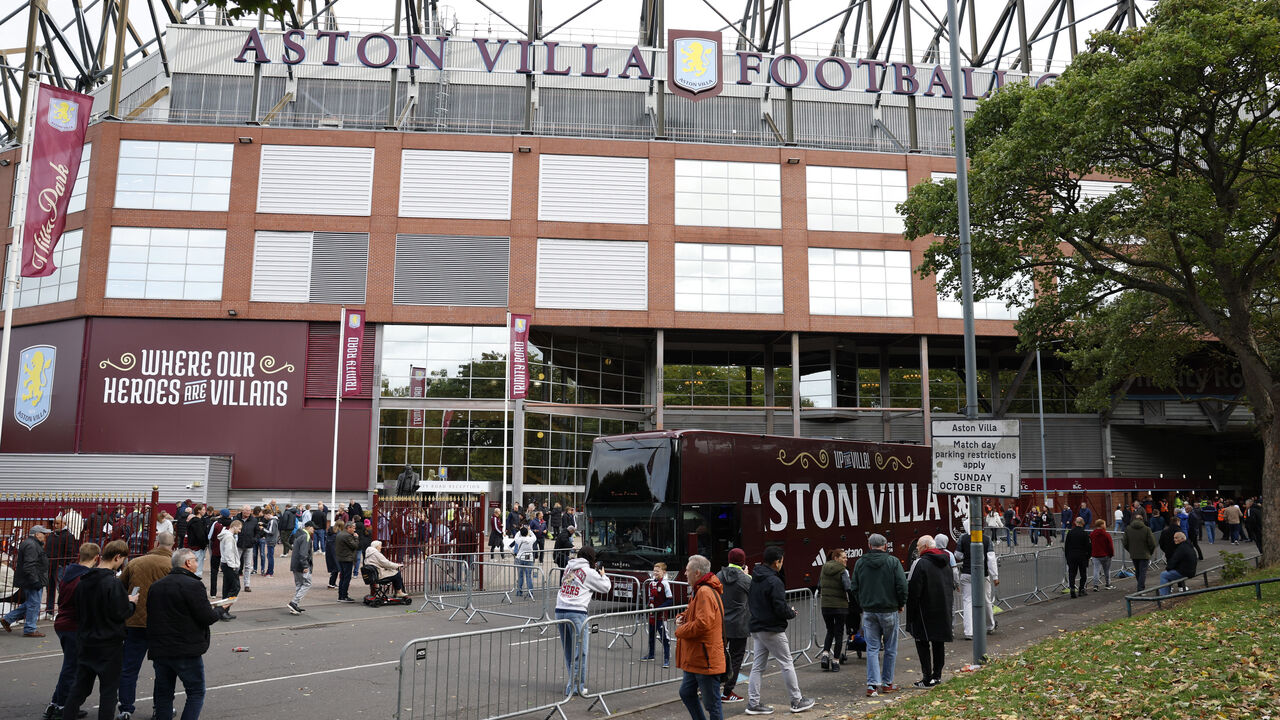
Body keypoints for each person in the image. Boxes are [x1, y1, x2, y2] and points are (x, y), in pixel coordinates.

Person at [61, 540, 138, 720]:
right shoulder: (112, 583)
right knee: (109, 691)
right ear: (117, 557)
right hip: (109, 644)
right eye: (122, 560)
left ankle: (67, 716)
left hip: (86, 639)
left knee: (80, 687)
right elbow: (121, 613)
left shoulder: (83, 581)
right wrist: (131, 603)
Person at [146, 548, 221, 720]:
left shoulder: (156, 586)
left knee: (164, 694)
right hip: (185, 649)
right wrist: (219, 610)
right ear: (188, 563)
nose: (197, 562)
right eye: (195, 560)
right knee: (196, 692)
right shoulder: (193, 585)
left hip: (161, 649)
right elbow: (206, 617)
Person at [745, 545, 814, 714]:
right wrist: (790, 612)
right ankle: (796, 701)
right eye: (782, 561)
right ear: (777, 562)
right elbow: (779, 607)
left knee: (758, 667)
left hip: (757, 627)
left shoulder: (755, 577)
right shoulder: (774, 581)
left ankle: (753, 703)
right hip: (772, 629)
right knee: (786, 663)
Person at [117, 531, 176, 720]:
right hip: (162, 624)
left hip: (135, 620)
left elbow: (120, 587)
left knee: (129, 667)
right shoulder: (173, 565)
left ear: (157, 542)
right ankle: (161, 707)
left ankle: (125, 708)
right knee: (163, 669)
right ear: (172, 545)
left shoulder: (136, 562)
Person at [45, 542, 100, 720]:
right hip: (73, 625)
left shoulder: (70, 574)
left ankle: (56, 703)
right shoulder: (83, 578)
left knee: (70, 666)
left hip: (64, 622)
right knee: (72, 668)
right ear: (97, 558)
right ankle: (62, 705)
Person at [850, 534, 906, 698]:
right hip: (889, 609)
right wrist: (901, 603)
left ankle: (872, 685)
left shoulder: (860, 563)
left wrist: (863, 602)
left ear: (869, 544)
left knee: (872, 648)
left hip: (869, 610)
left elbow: (854, 586)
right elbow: (902, 585)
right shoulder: (893, 562)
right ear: (885, 545)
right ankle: (887, 683)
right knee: (890, 648)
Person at [554, 546, 611, 697]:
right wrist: (603, 575)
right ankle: (576, 686)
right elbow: (606, 587)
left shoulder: (568, 567)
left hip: (560, 609)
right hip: (577, 611)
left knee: (569, 650)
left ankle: (572, 682)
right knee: (581, 651)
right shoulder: (589, 572)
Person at [675, 554, 726, 720]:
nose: (685, 573)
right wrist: (683, 615)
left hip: (705, 658)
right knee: (687, 692)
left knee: (712, 704)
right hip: (699, 657)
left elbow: (703, 624)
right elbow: (696, 614)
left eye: (687, 570)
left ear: (697, 573)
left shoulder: (704, 591)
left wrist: (680, 630)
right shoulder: (700, 589)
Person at [906, 536, 954, 688]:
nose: (917, 550)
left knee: (923, 644)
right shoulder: (946, 561)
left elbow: (913, 590)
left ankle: (927, 678)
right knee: (938, 643)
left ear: (925, 546)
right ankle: (937, 676)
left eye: (919, 547)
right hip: (943, 607)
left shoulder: (920, 563)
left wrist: (911, 614)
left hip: (924, 611)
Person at [716, 548, 751, 704]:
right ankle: (728, 692)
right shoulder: (746, 579)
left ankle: (711, 687)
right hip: (739, 624)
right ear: (743, 562)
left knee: (718, 656)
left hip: (721, 624)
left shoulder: (718, 577)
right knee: (736, 658)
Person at [2, 524, 50, 637]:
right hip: (32, 579)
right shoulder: (32, 545)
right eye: (43, 533)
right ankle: (29, 629)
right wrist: (35, 581)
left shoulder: (32, 543)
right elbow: (29, 565)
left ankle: (7, 619)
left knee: (32, 603)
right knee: (34, 604)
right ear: (37, 534)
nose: (45, 536)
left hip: (32, 578)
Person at [954, 531, 997, 638]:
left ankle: (969, 631)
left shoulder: (963, 538)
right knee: (986, 600)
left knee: (967, 601)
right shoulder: (986, 539)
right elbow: (991, 559)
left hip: (967, 573)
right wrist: (995, 576)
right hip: (983, 574)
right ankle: (990, 625)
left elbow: (958, 555)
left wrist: (965, 556)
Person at [818, 547, 852, 673]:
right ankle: (836, 661)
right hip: (840, 606)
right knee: (838, 633)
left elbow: (819, 585)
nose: (846, 559)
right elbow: (847, 587)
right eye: (843, 557)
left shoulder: (824, 568)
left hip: (825, 606)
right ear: (836, 558)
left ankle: (825, 655)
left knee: (829, 631)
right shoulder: (843, 571)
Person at [641, 562, 673, 667]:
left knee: (664, 637)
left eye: (657, 571)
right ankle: (651, 654)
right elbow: (651, 598)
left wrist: (659, 608)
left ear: (664, 572)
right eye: (654, 571)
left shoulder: (665, 583)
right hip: (652, 614)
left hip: (661, 616)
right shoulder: (651, 583)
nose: (655, 573)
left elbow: (669, 600)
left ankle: (667, 658)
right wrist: (647, 607)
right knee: (651, 635)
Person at [45, 517, 77, 620]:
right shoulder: (52, 535)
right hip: (50, 565)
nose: (55, 525)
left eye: (57, 523)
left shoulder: (68, 536)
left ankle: (61, 611)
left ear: (64, 523)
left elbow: (70, 552)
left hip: (59, 567)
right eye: (54, 523)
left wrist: (64, 564)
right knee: (49, 589)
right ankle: (49, 611)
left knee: (61, 590)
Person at [1123, 512, 1157, 591]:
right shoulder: (1147, 529)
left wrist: (1130, 550)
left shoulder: (1128, 529)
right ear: (1142, 520)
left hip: (1134, 553)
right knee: (1143, 572)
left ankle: (1140, 585)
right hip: (1145, 553)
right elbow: (1152, 543)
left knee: (1137, 571)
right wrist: (1150, 552)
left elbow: (1125, 542)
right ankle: (1140, 588)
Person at [216, 520, 242, 620]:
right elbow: (229, 553)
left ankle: (223, 611)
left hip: (225, 564)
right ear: (234, 526)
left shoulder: (225, 535)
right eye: (239, 528)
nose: (239, 531)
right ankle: (223, 610)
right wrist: (233, 566)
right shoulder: (229, 537)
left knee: (227, 588)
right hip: (229, 565)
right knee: (235, 588)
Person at [288, 522, 315, 615]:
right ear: (309, 527)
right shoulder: (306, 536)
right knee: (307, 583)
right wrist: (305, 565)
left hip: (295, 564)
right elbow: (303, 553)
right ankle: (294, 602)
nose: (313, 530)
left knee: (299, 584)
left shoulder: (298, 534)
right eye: (313, 528)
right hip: (301, 565)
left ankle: (294, 606)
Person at [1159, 532, 1198, 596]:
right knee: (1168, 574)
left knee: (1164, 575)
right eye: (1174, 538)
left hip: (1185, 572)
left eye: (1176, 538)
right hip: (1191, 571)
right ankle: (1166, 592)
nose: (1174, 539)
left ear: (1182, 539)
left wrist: (1168, 568)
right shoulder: (1188, 545)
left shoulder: (1181, 548)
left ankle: (1164, 595)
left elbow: (1174, 561)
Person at [1064, 517, 1091, 598]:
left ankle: (1072, 588)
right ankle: (1081, 589)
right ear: (1082, 523)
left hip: (1071, 556)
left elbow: (1066, 546)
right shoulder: (1085, 533)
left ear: (1075, 523)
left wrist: (1067, 557)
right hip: (1082, 556)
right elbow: (1088, 547)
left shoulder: (1070, 533)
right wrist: (1088, 556)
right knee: (1083, 573)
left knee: (1072, 573)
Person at [333, 520, 359, 603]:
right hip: (347, 558)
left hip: (341, 558)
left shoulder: (340, 534)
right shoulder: (347, 536)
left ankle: (341, 595)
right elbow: (355, 546)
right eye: (353, 528)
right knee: (346, 578)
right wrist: (356, 538)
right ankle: (343, 596)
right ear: (349, 528)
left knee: (343, 577)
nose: (354, 530)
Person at [509, 525, 537, 598]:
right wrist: (529, 530)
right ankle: (530, 592)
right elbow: (534, 536)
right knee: (528, 576)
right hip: (529, 558)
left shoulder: (519, 539)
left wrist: (520, 530)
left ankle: (519, 591)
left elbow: (516, 536)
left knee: (520, 575)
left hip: (520, 558)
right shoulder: (531, 539)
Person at [1089, 519, 1115, 591]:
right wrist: (1111, 554)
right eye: (1104, 524)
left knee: (1096, 570)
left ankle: (1095, 585)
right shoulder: (1106, 534)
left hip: (1095, 555)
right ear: (1101, 525)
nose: (1105, 525)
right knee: (1106, 570)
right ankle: (1107, 584)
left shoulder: (1092, 534)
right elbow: (1110, 546)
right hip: (1106, 555)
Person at [186, 507, 209, 578]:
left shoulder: (193, 521)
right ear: (199, 511)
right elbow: (200, 535)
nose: (205, 511)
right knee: (198, 567)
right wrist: (204, 544)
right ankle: (196, 582)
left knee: (193, 565)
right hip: (198, 547)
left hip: (192, 546)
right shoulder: (198, 522)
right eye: (203, 509)